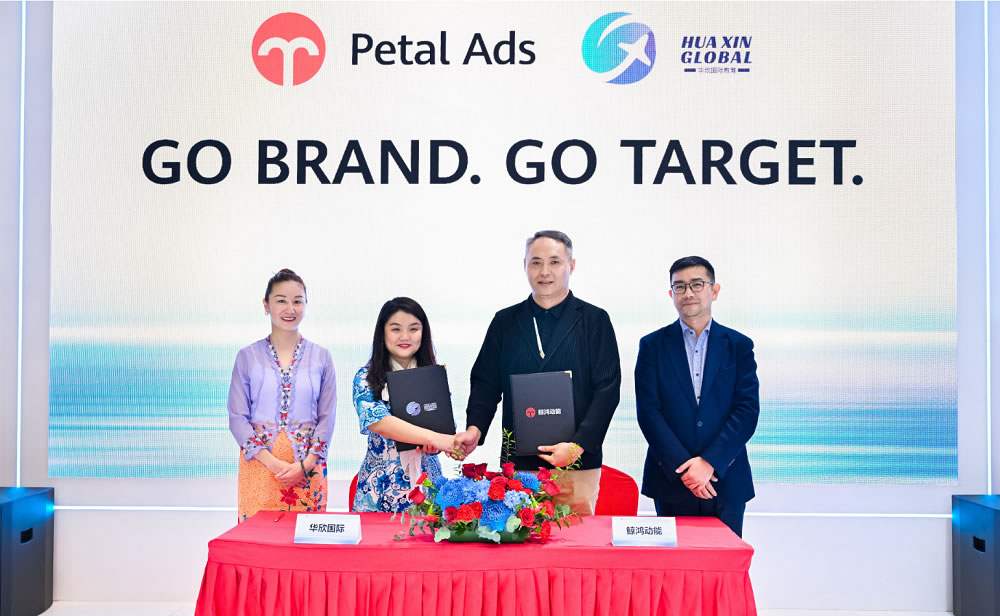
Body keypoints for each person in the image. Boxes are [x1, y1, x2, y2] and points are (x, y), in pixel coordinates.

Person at [456, 230, 621, 516]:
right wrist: (475, 428)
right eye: (536, 262)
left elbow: (607, 389)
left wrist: (579, 446)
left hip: (576, 462)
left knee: (576, 538)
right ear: (524, 265)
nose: (545, 271)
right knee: (518, 537)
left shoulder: (594, 320)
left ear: (571, 265)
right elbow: (485, 383)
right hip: (519, 464)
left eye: (555, 262)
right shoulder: (505, 321)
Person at [634, 256, 759, 537]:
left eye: (697, 284)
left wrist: (710, 463)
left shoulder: (738, 345)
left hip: (725, 479)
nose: (688, 293)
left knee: (724, 561)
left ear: (714, 290)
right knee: (675, 562)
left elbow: (747, 410)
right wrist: (686, 470)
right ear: (671, 294)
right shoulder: (652, 345)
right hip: (671, 480)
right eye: (679, 286)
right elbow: (649, 413)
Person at [228, 269, 336, 522]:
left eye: (297, 301)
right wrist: (274, 465)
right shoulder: (247, 357)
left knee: (304, 540)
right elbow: (237, 418)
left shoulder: (322, 357)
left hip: (308, 469)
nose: (290, 308)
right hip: (261, 467)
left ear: (306, 305)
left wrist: (306, 465)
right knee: (258, 539)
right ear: (266, 305)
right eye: (281, 301)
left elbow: (327, 416)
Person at [352, 297, 462, 513]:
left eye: (413, 329)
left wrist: (435, 446)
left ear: (423, 333)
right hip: (380, 488)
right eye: (396, 329)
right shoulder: (365, 377)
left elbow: (445, 428)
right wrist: (434, 438)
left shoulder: (434, 376)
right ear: (382, 333)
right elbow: (379, 422)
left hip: (427, 485)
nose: (405, 337)